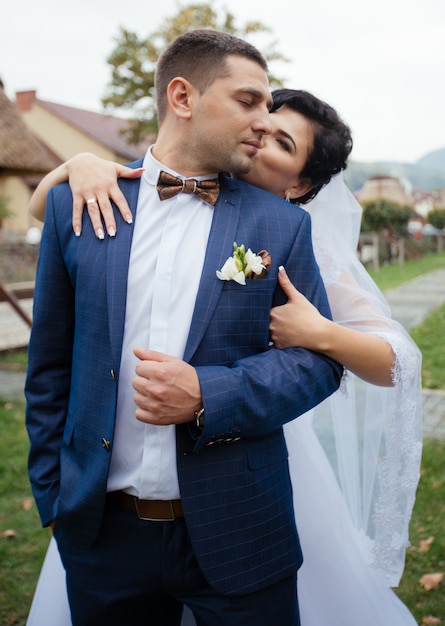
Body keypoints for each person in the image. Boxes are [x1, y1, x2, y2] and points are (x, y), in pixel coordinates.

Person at [26, 87, 422, 625]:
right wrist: (82, 162)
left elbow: (394, 360)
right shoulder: (163, 193)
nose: (259, 137)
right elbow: (51, 238)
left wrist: (320, 331)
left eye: (281, 141)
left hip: (250, 480)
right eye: (259, 120)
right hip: (115, 507)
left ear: (302, 183)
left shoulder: (295, 237)